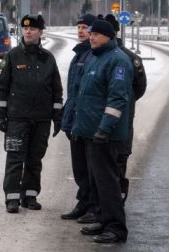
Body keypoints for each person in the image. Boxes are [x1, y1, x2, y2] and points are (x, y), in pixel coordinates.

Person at [0, 14, 63, 213]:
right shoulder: (13, 56)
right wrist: (0, 114)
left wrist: (57, 116)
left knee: (35, 159)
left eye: (33, 29)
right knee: (15, 158)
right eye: (25, 29)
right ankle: (12, 198)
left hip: (41, 119)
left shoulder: (48, 59)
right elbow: (0, 86)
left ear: (41, 32)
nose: (28, 31)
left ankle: (30, 196)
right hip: (17, 119)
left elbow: (56, 89)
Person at [72, 19, 132, 244]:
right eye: (90, 34)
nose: (91, 37)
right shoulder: (95, 58)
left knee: (107, 183)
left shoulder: (117, 61)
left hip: (105, 135)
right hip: (90, 132)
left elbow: (117, 99)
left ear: (108, 36)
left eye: (96, 34)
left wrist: (104, 129)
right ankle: (103, 219)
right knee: (97, 181)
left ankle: (116, 228)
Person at [104, 13, 147, 204]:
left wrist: (125, 102)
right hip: (99, 120)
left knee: (119, 159)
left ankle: (118, 199)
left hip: (123, 120)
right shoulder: (95, 56)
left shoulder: (130, 59)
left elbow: (139, 88)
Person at [60, 13, 96, 222]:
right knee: (79, 166)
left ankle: (93, 206)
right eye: (79, 27)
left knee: (92, 168)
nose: (81, 31)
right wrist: (66, 117)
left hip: (87, 122)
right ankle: (83, 202)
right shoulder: (78, 55)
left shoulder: (94, 55)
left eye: (85, 27)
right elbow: (73, 92)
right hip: (75, 120)